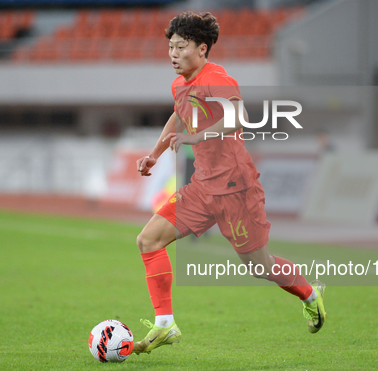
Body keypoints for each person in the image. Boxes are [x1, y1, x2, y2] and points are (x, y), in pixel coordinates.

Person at [133, 11, 327, 355]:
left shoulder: (217, 77)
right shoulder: (180, 84)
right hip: (202, 188)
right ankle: (165, 325)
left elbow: (239, 116)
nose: (174, 54)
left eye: (182, 47)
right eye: (171, 47)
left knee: (259, 266)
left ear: (203, 49)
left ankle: (311, 294)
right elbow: (178, 116)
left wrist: (197, 138)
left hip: (237, 190)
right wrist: (155, 154)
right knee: (148, 240)